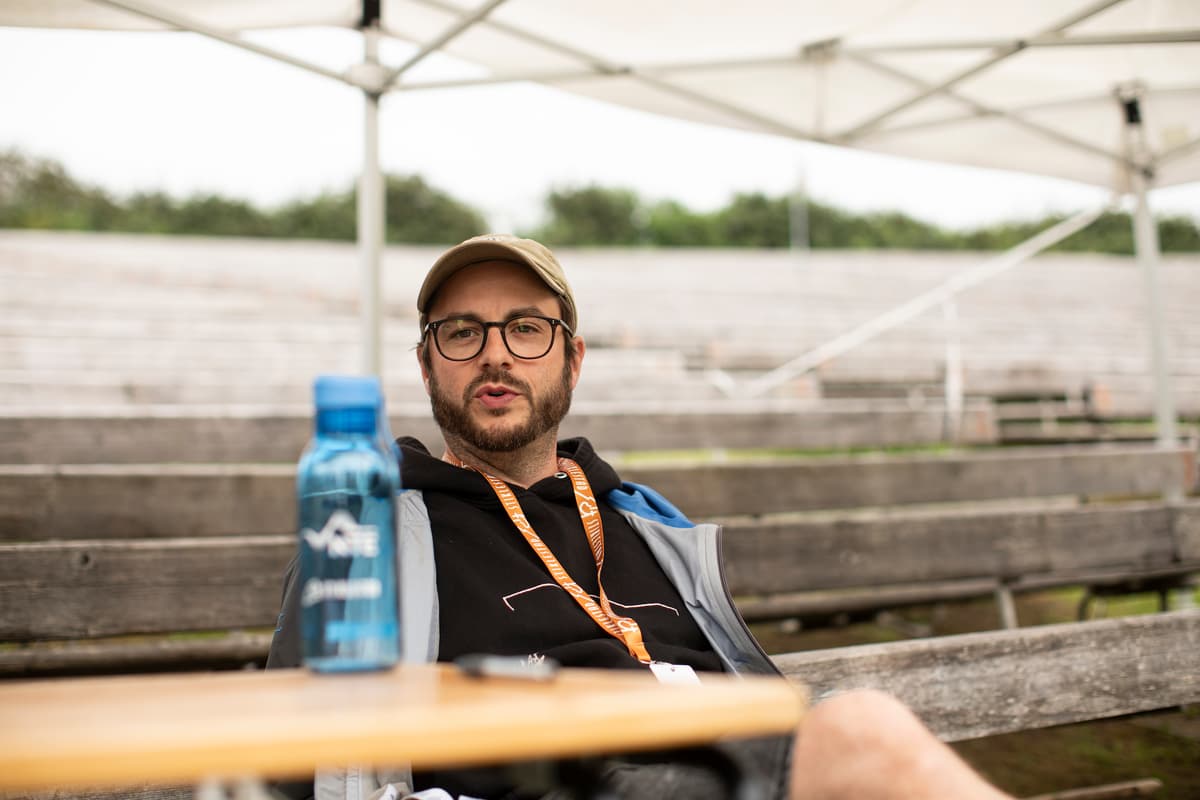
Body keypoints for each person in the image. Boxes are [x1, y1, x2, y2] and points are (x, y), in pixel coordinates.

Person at [267, 234, 1011, 800]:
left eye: (526, 328)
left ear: (573, 359)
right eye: (462, 333)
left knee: (850, 725)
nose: (495, 355)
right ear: (428, 366)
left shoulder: (642, 523)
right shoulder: (368, 531)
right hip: (569, 782)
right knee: (859, 729)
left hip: (717, 759)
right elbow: (299, 753)